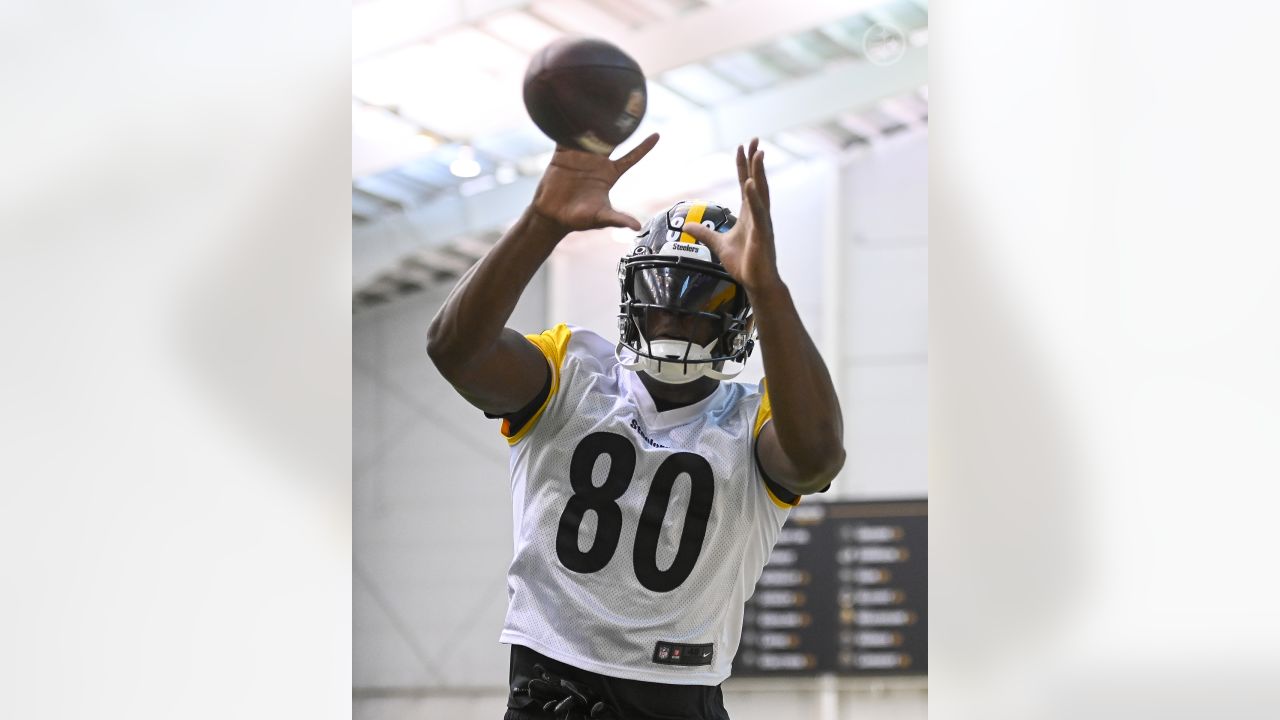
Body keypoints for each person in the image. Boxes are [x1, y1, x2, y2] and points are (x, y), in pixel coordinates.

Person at [426, 133, 845, 720]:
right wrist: (542, 222)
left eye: (700, 296)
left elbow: (818, 458)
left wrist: (769, 289)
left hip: (678, 695)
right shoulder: (570, 368)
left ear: (738, 315)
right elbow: (455, 350)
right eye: (660, 292)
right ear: (631, 294)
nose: (673, 311)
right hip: (549, 689)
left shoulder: (755, 417)